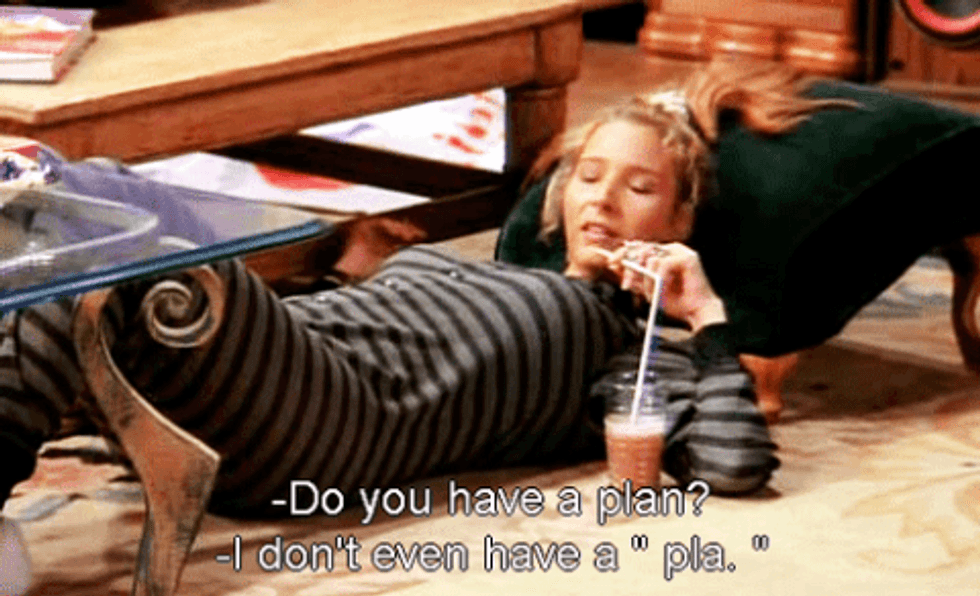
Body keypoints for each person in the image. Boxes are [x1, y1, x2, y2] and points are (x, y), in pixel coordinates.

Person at [3, 58, 885, 524]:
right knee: (67, 274)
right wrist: (350, 269)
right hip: (272, 371)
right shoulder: (496, 271)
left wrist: (707, 317)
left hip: (322, 433)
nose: (604, 199)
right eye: (588, 176)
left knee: (123, 237)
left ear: (678, 220)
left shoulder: (630, 350)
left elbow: (734, 466)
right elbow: (356, 326)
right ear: (558, 196)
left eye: (640, 186)